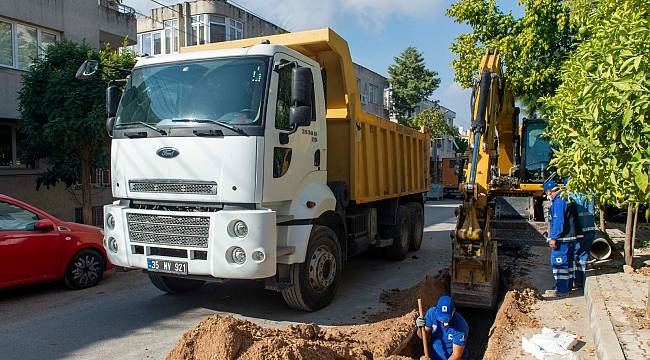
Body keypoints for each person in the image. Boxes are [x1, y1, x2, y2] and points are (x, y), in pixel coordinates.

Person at [543, 179, 581, 298]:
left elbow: (558, 222)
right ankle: (567, 287)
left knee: (559, 264)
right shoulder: (567, 198)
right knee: (568, 264)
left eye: (546, 193)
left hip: (562, 240)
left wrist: (553, 238)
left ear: (549, 191)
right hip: (571, 238)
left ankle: (562, 290)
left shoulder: (558, 202)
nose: (547, 195)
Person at [564, 178, 597, 289]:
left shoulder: (572, 197)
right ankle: (580, 280)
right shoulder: (590, 195)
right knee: (583, 255)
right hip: (591, 230)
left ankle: (572, 281)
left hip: (580, 231)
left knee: (574, 255)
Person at [415, 295, 469, 360]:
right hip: (434, 356)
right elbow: (422, 336)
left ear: (453, 311)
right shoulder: (432, 313)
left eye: (446, 319)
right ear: (437, 309)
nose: (443, 321)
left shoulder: (461, 326)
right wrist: (420, 328)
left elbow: (456, 356)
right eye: (441, 318)